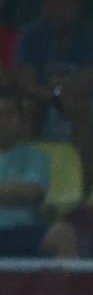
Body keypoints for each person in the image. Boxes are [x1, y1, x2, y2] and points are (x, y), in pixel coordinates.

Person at [13, 0, 93, 185]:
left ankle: (84, 181)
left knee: (78, 106)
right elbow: (25, 81)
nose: (59, 10)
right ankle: (22, 175)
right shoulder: (32, 34)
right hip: (47, 100)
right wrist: (53, 96)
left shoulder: (91, 34)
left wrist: (59, 94)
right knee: (26, 108)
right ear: (44, 6)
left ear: (77, 6)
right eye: (53, 3)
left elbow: (88, 82)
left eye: (65, 3)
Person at [0, 93, 78, 257]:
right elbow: (22, 193)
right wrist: (15, 192)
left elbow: (32, 193)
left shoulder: (37, 157)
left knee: (63, 234)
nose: (2, 120)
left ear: (21, 121)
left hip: (23, 231)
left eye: (9, 114)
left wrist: (17, 194)